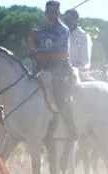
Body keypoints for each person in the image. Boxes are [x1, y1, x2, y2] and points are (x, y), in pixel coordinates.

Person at [28, 1, 79, 152]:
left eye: (55, 12)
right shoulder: (41, 30)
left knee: (59, 96)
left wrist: (40, 54)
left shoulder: (63, 30)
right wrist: (31, 39)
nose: (52, 14)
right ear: (46, 13)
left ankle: (71, 129)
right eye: (49, 11)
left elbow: (61, 54)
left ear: (58, 13)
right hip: (43, 67)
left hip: (60, 68)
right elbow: (34, 49)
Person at [63, 9, 92, 74]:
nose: (67, 22)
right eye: (65, 20)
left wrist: (69, 67)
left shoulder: (84, 37)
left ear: (77, 21)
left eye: (70, 20)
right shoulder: (61, 35)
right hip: (60, 71)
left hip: (78, 72)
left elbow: (85, 62)